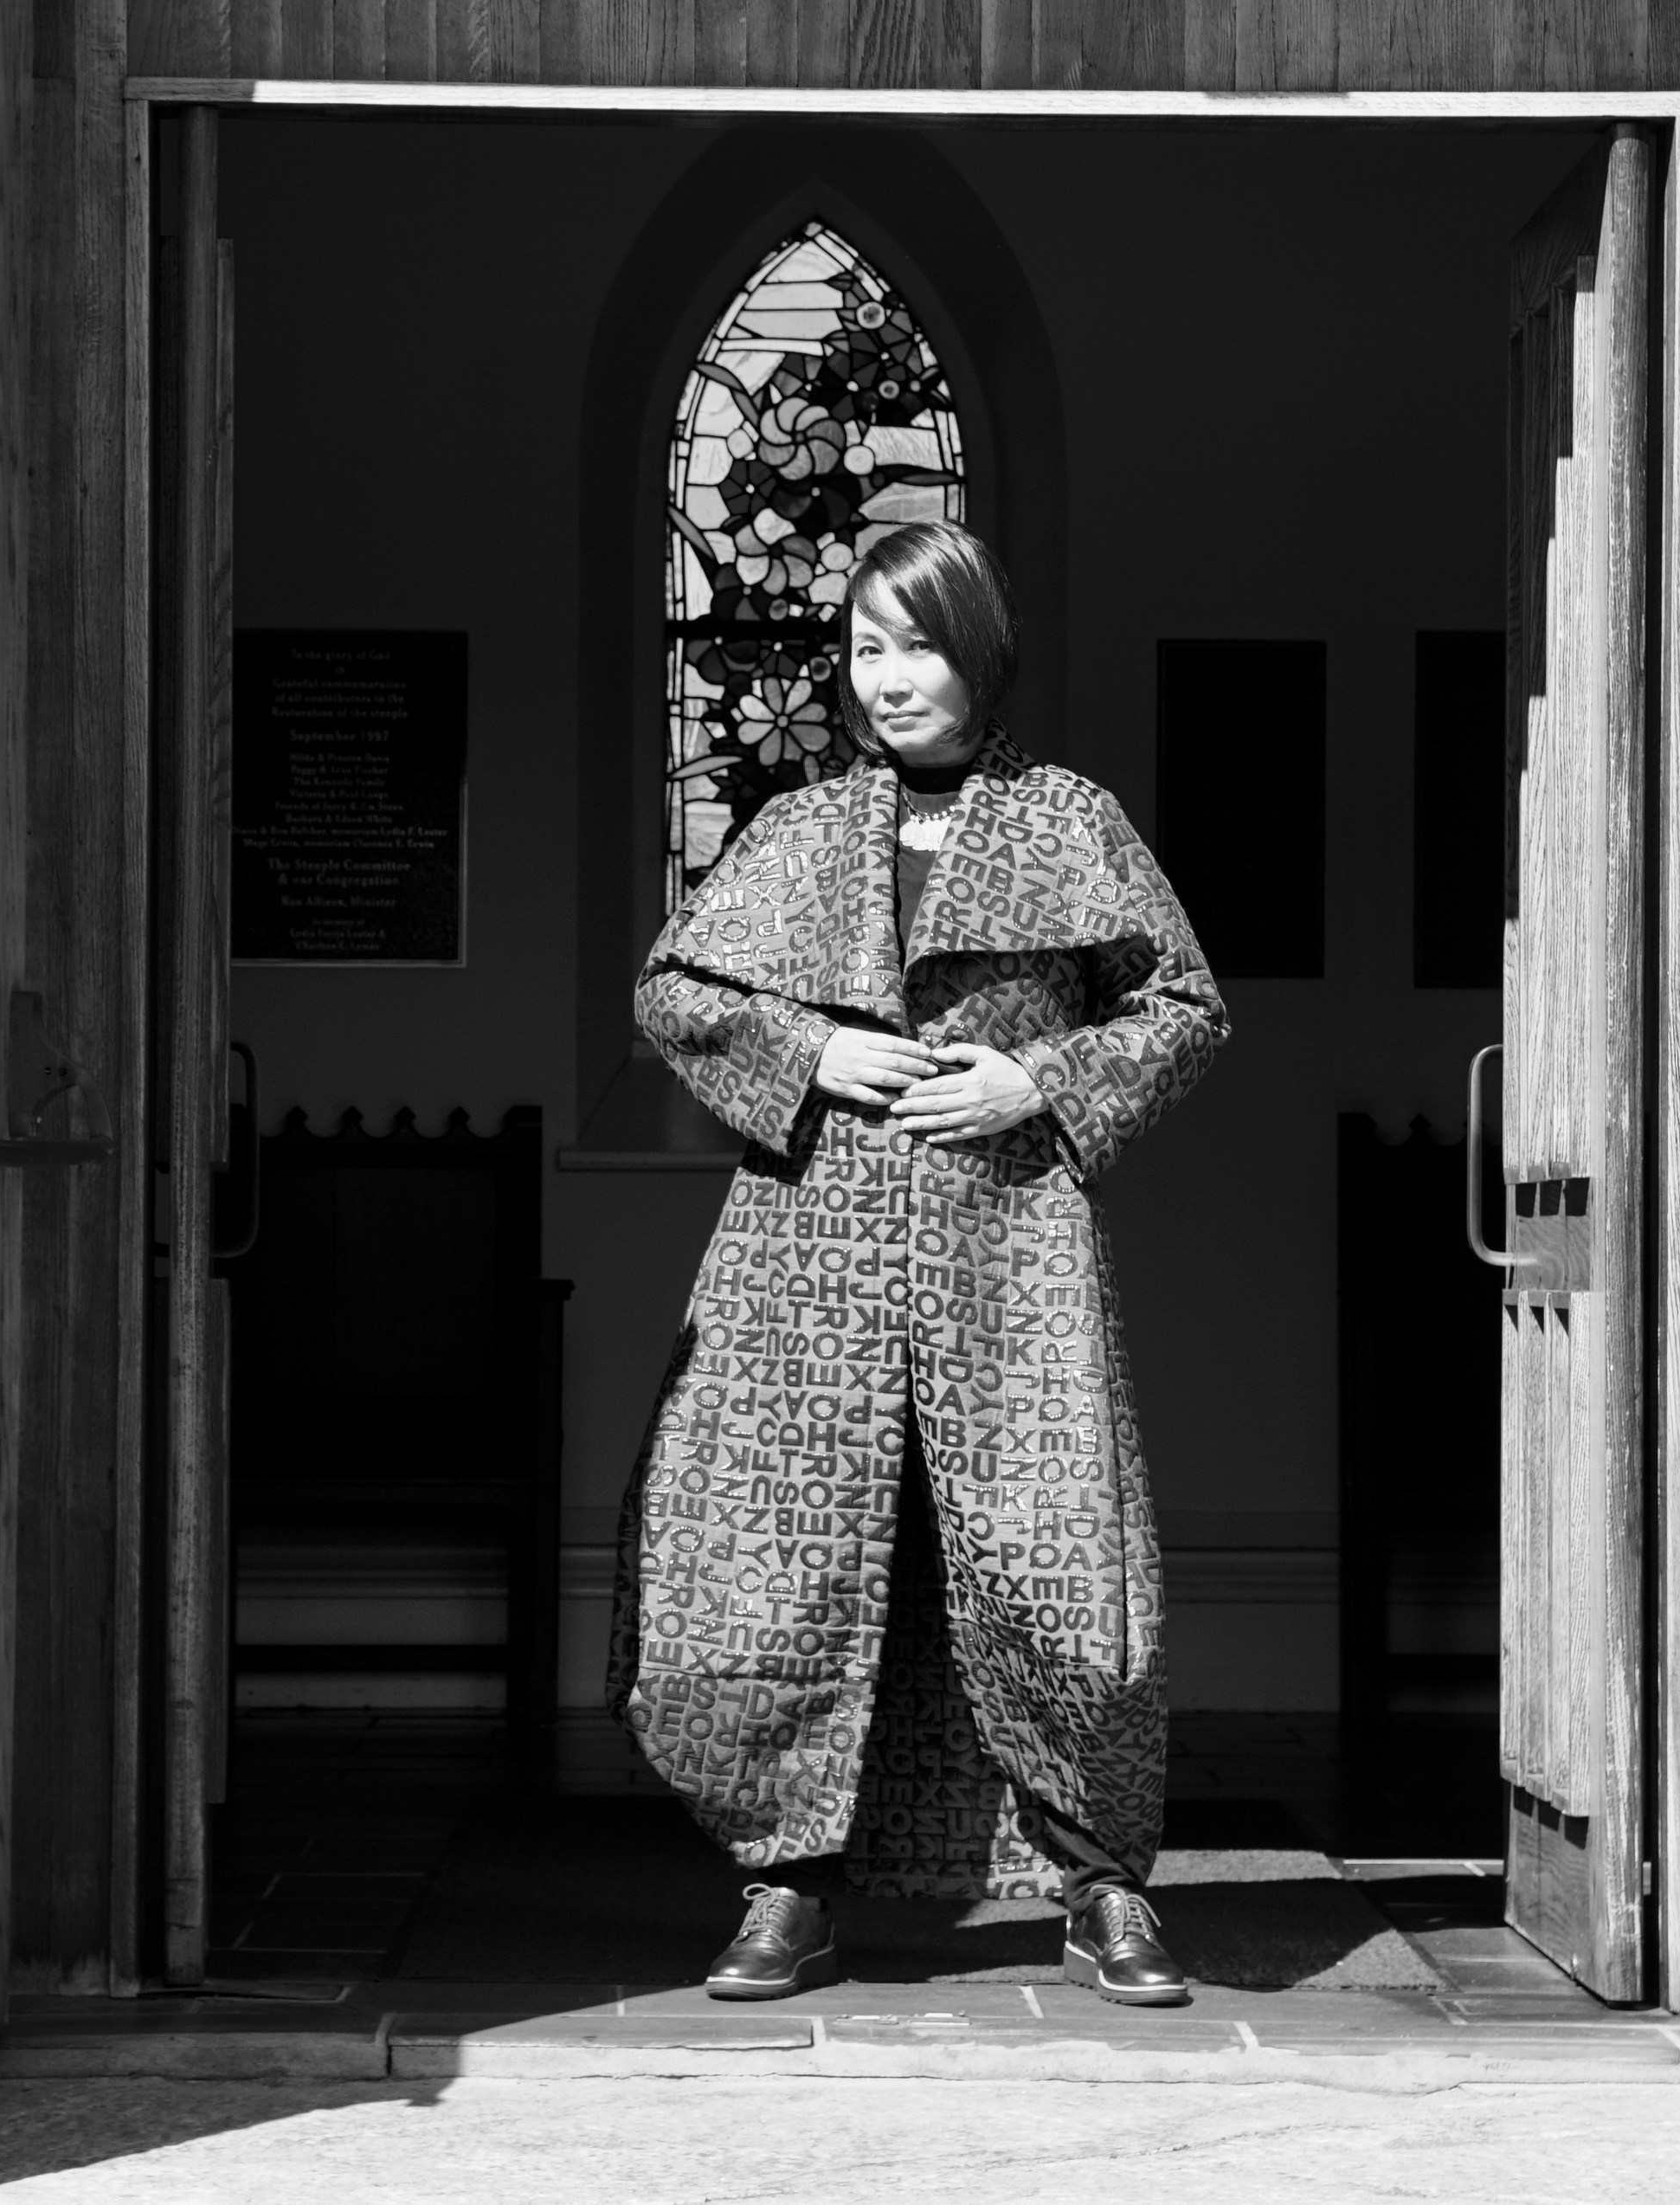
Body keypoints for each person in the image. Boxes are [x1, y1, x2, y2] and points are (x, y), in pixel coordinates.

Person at [608, 519, 1229, 2005]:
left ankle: (1102, 1889)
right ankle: (782, 1888)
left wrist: (1046, 1086)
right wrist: (810, 1044)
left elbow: (1184, 1009)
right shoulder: (799, 827)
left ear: (981, 649)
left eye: (916, 644)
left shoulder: (1069, 820)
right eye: (864, 649)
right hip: (801, 1254)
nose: (887, 679)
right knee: (775, 1567)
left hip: (1008, 1248)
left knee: (1053, 1563)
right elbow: (671, 986)